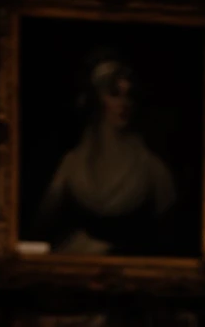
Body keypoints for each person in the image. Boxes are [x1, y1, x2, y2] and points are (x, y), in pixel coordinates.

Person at [36, 55, 175, 255]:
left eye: (129, 95)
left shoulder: (151, 168)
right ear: (98, 100)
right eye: (114, 94)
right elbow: (42, 229)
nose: (124, 103)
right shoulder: (72, 164)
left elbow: (169, 239)